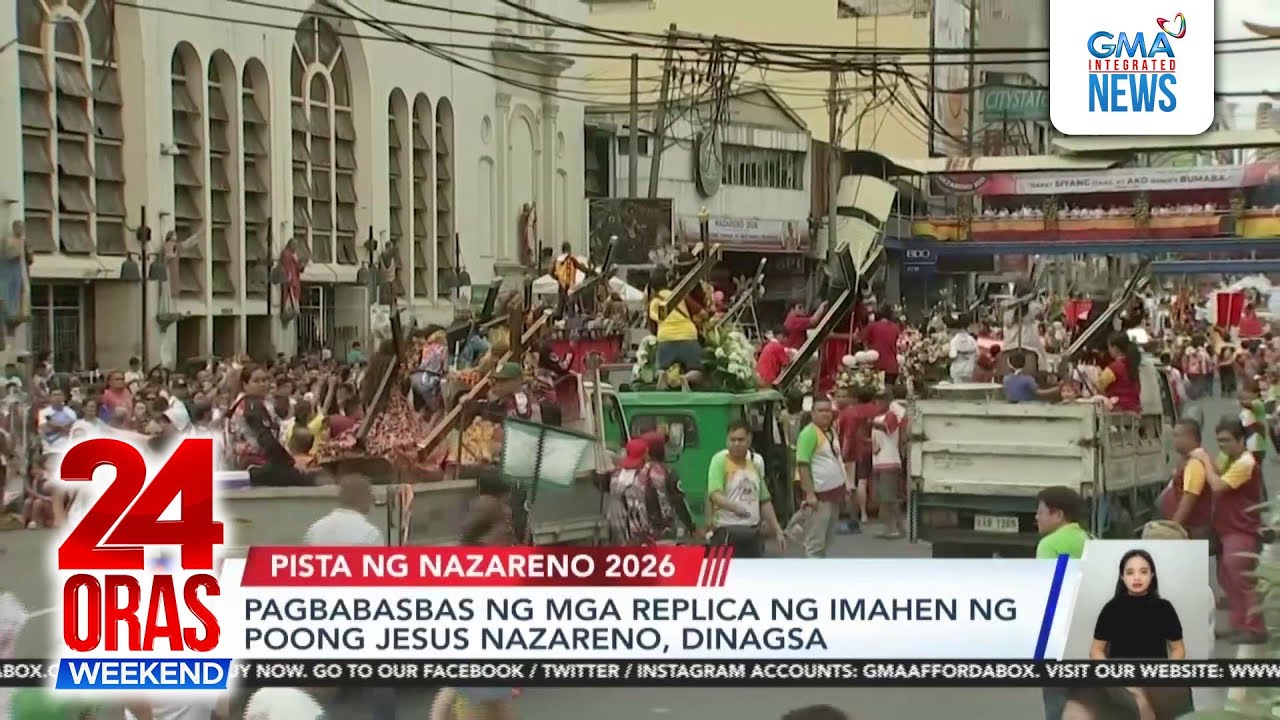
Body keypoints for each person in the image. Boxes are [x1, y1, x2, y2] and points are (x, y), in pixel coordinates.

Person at [1205, 420, 1267, 644]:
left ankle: (1255, 628)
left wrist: (1204, 461)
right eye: (1219, 440)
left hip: (1242, 530)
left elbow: (1218, 485)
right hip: (1227, 529)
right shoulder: (1229, 458)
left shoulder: (1245, 462)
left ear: (1241, 440)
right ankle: (1239, 624)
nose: (1222, 445)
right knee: (1227, 577)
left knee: (1241, 578)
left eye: (1227, 440)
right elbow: (1218, 471)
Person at [706, 419, 784, 558]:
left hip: (752, 531)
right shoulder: (720, 461)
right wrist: (735, 508)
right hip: (727, 530)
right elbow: (714, 494)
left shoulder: (753, 465)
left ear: (749, 440)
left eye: (741, 440)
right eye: (732, 439)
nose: (736, 444)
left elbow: (764, 500)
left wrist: (777, 530)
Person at [1090, 549, 1185, 660]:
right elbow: (1096, 650)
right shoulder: (1111, 608)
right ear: (1122, 576)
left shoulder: (1164, 608)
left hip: (1156, 676)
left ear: (1152, 574)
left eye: (1143, 571)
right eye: (1130, 572)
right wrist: (1111, 674)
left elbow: (1178, 649)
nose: (1137, 578)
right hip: (1120, 676)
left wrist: (1164, 674)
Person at [795, 396, 847, 558]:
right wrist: (809, 494)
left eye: (828, 410)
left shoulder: (830, 431)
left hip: (834, 494)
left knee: (827, 539)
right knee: (815, 543)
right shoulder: (809, 433)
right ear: (812, 413)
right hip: (819, 496)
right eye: (821, 411)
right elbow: (803, 465)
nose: (825, 414)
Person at [1161, 420, 1212, 539]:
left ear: (1190, 438)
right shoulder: (1186, 461)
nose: (1173, 440)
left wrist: (1173, 530)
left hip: (1192, 531)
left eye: (1177, 435)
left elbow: (1188, 500)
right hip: (1188, 529)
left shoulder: (1195, 464)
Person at [871, 385, 908, 539]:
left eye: (882, 400)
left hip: (890, 462)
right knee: (884, 498)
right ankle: (891, 527)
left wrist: (870, 424)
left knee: (889, 498)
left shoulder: (891, 416)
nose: (879, 403)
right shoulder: (876, 418)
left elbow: (888, 428)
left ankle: (895, 527)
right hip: (878, 462)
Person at [1097, 332, 1142, 413]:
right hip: (1134, 410)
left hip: (1118, 409)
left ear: (1114, 347)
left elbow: (1100, 384)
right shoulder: (1132, 365)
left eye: (1109, 347)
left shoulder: (1114, 368)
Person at [859, 305, 902, 386]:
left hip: (877, 367)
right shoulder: (895, 327)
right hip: (893, 367)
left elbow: (859, 339)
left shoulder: (872, 326)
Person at [947, 314, 979, 383]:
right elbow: (977, 355)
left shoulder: (954, 340)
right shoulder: (972, 340)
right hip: (969, 369)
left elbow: (952, 356)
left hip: (957, 370)